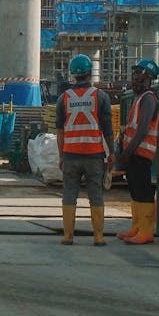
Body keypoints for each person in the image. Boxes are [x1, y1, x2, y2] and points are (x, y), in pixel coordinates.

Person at [56, 54, 115, 245]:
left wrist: (61, 156)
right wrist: (112, 152)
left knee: (69, 194)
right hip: (94, 155)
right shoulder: (101, 97)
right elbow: (107, 129)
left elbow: (60, 131)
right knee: (96, 195)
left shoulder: (63, 99)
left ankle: (68, 236)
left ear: (73, 74)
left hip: (71, 155)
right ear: (90, 73)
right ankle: (98, 236)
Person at [117, 58, 159, 244]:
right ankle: (136, 227)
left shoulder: (149, 99)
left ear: (149, 78)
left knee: (143, 193)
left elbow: (143, 129)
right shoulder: (139, 98)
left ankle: (146, 231)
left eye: (140, 76)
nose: (135, 79)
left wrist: (129, 151)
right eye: (135, 75)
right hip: (133, 154)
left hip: (141, 154)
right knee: (135, 192)